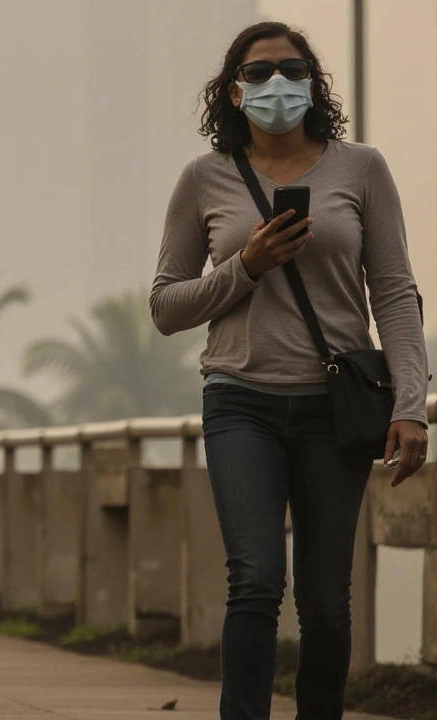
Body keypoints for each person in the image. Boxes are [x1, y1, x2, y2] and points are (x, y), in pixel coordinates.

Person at [150, 21, 428, 719]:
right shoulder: (204, 179)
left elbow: (394, 292)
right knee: (255, 579)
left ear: (313, 82)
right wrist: (246, 266)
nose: (279, 83)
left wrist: (410, 403)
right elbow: (165, 305)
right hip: (239, 401)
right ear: (234, 91)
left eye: (293, 70)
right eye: (261, 72)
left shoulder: (361, 169)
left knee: (328, 604)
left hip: (333, 412)